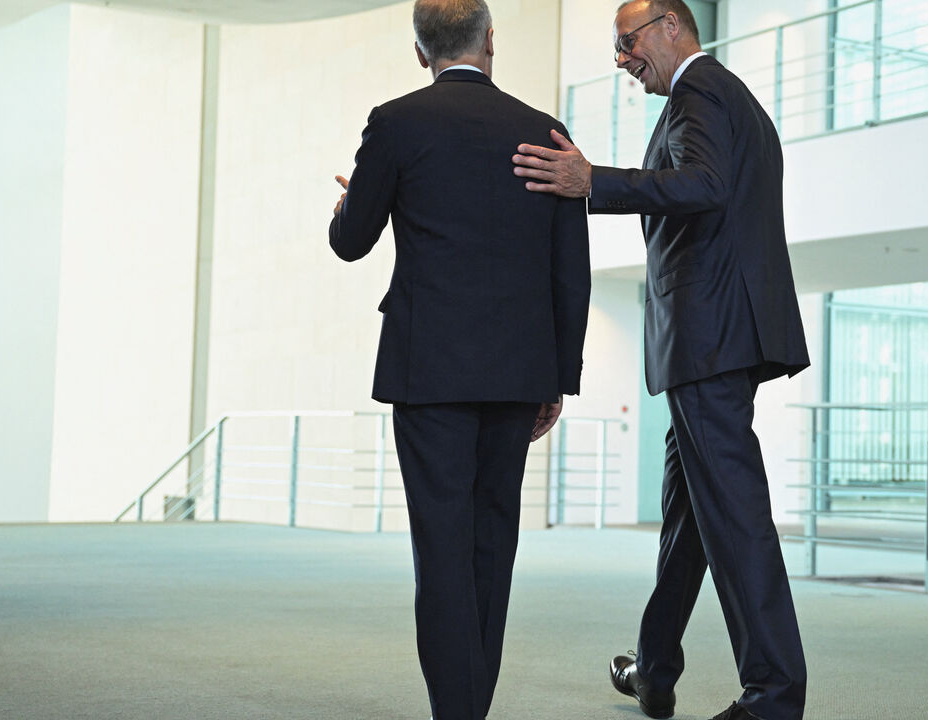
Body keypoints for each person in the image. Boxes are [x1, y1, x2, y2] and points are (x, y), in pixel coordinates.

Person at [511, 2, 809, 719]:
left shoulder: (699, 90)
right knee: (688, 523)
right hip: (716, 343)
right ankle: (654, 668)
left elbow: (704, 187)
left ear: (672, 25)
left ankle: (772, 696)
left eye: (628, 42)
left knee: (736, 519)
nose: (622, 60)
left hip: (708, 341)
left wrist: (594, 182)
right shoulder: (731, 100)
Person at [328, 1, 590, 718]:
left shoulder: (397, 121)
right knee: (491, 549)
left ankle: (459, 711)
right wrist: (557, 377)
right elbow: (571, 266)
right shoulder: (544, 131)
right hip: (517, 374)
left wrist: (348, 205)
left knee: (441, 553)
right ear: (491, 39)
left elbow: (352, 241)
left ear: (420, 53)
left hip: (429, 372)